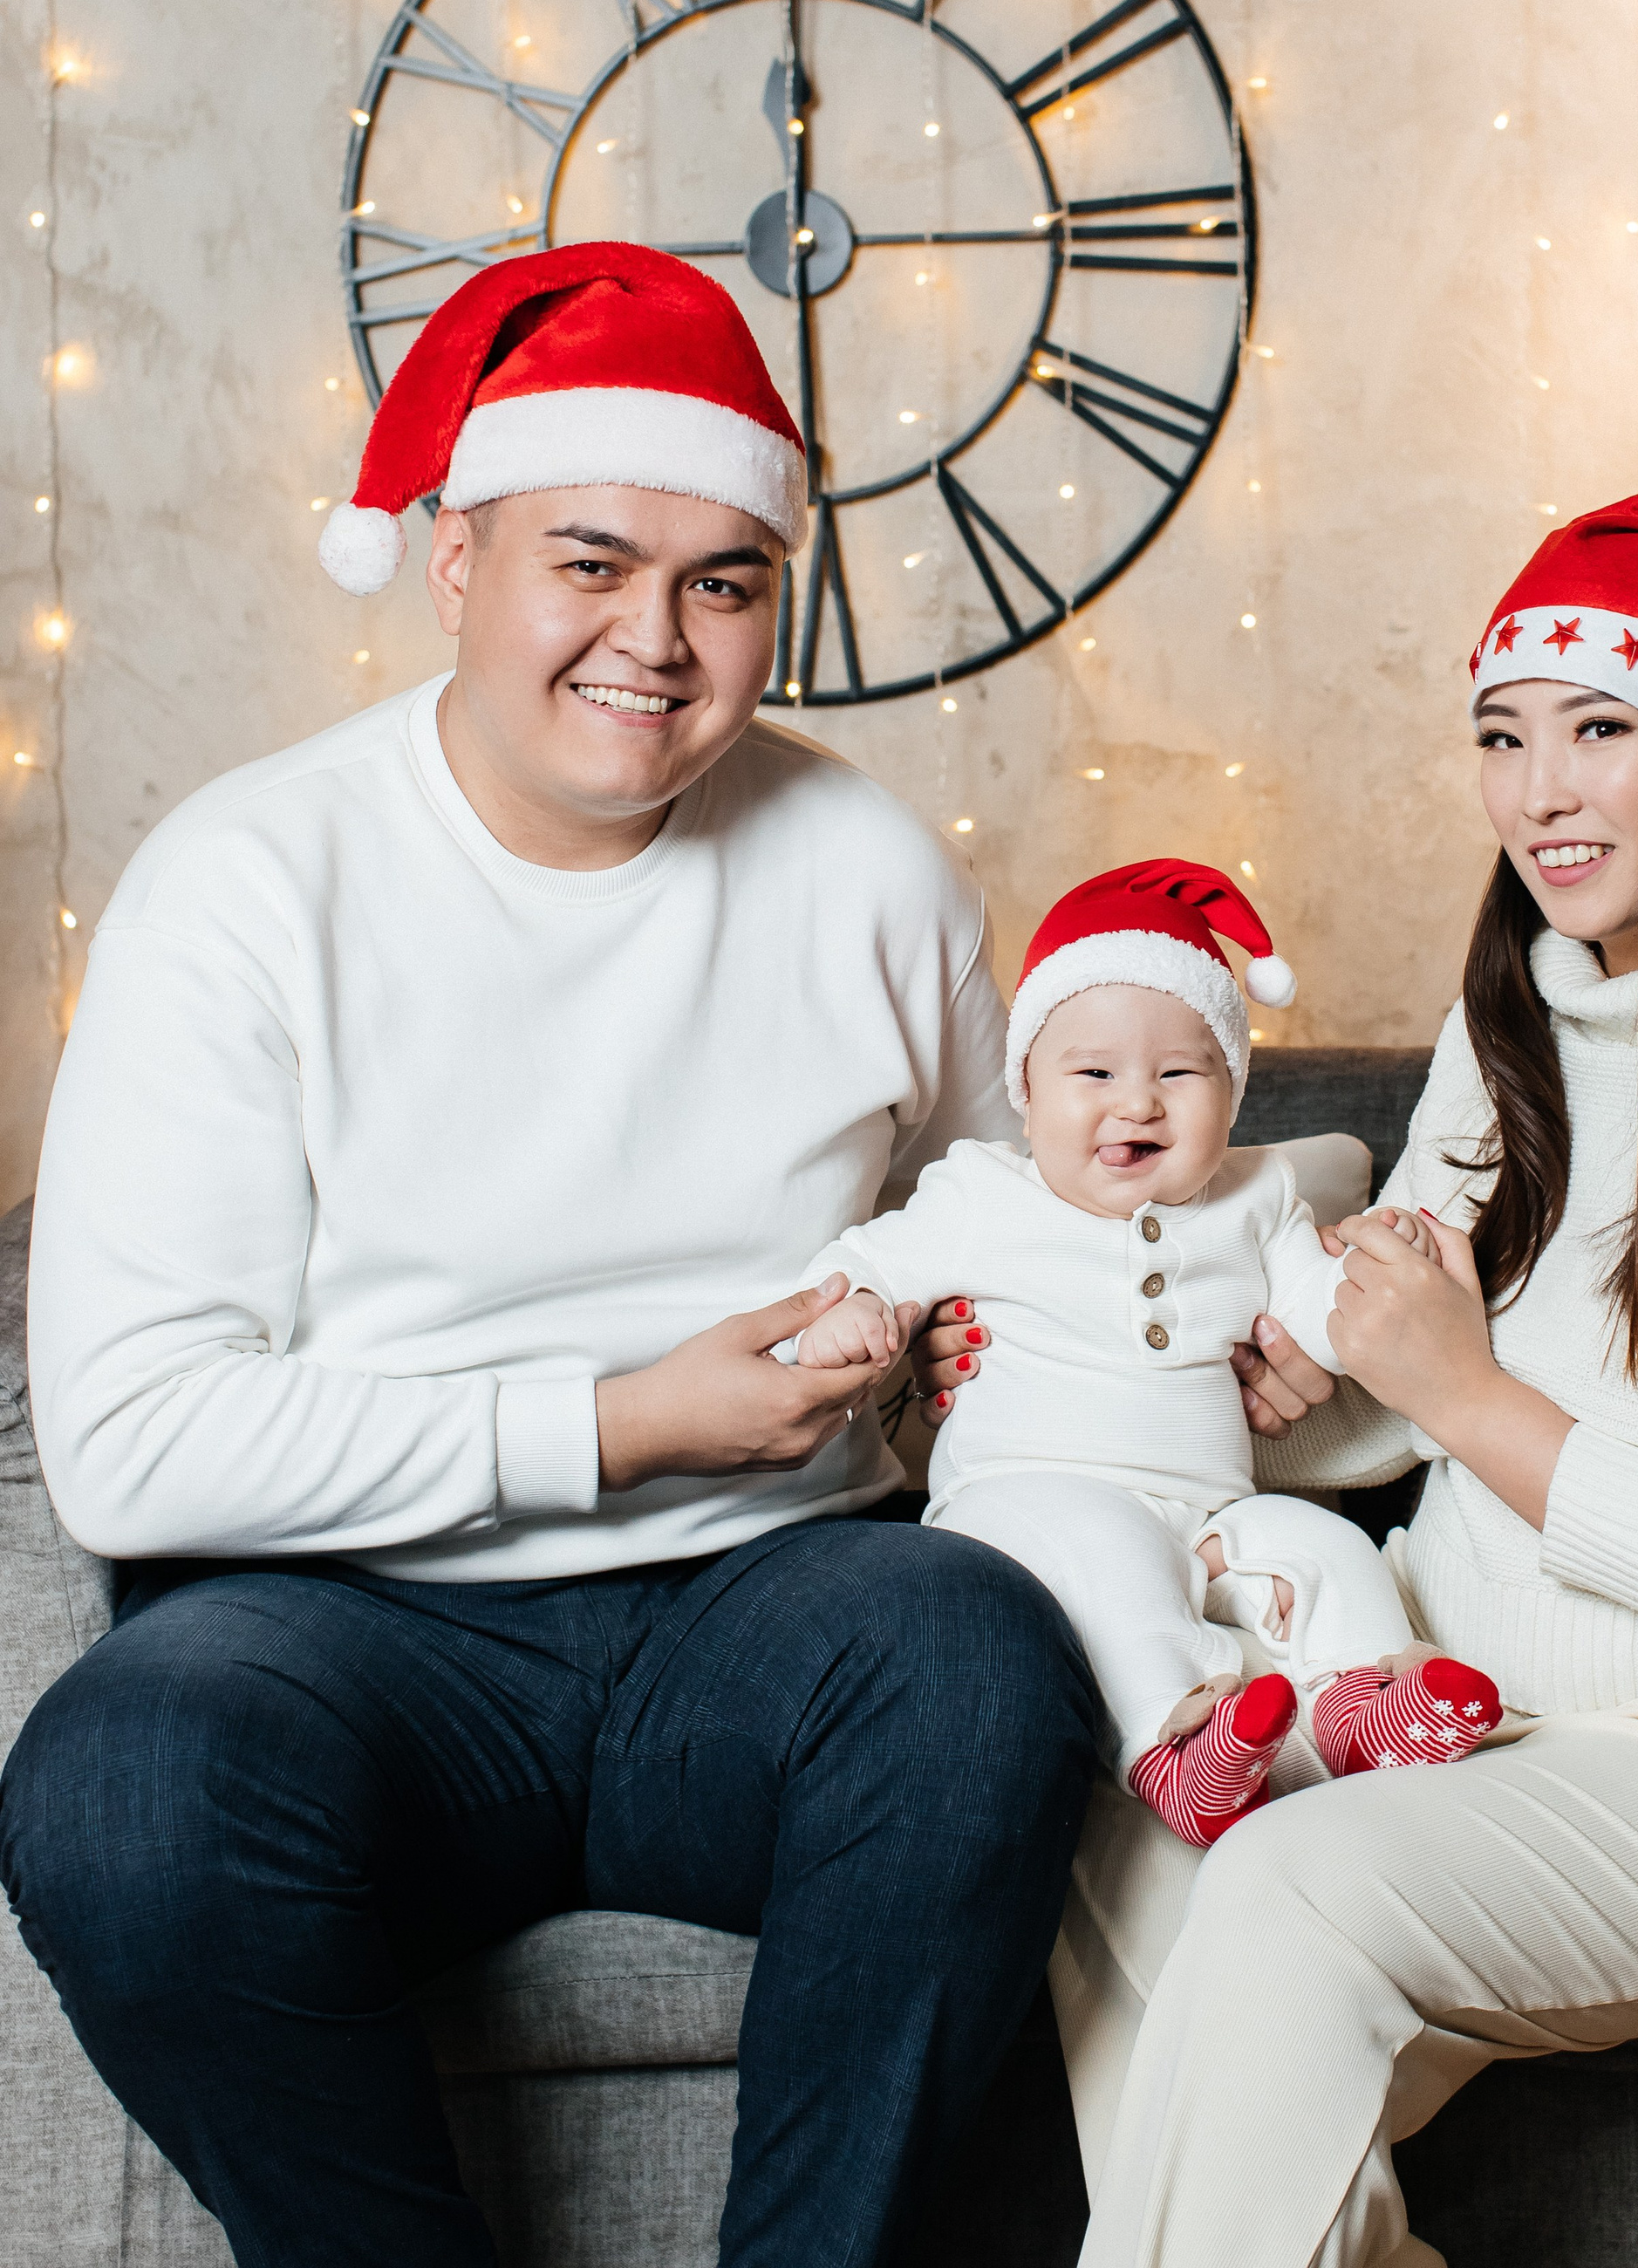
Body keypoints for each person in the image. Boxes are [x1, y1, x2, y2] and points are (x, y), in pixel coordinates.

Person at [0, 242, 1110, 2268]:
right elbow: (135, 1445)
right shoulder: (247, 884)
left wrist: (1150, 1338)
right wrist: (614, 1422)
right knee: (121, 1791)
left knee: (975, 1659)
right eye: (588, 563)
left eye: (723, 580)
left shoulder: (862, 867)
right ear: (452, 563)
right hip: (346, 1634)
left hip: (767, 1612)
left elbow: (1001, 1238)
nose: (655, 641)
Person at [925, 485, 1638, 2267]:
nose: (1537, 792)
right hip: (1457, 1682)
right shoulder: (1513, 1027)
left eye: (1595, 733)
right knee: (1109, 1797)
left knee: (1281, 1885)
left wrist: (1458, 1390)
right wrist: (1135, 1352)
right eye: (1501, 736)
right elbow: (1371, 1378)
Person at [782, 857, 1503, 1846]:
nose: (1137, 1103)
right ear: (1025, 1092)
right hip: (1028, 1496)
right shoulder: (982, 1191)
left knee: (1323, 1546)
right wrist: (858, 1310)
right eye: (1092, 1074)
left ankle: (1361, 1706)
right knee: (1111, 1557)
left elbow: (1325, 1318)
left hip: (1211, 1507)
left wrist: (1384, 1273)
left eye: (1178, 1073)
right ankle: (1178, 1744)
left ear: (1233, 1093)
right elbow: (872, 1259)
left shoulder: (1259, 1197)